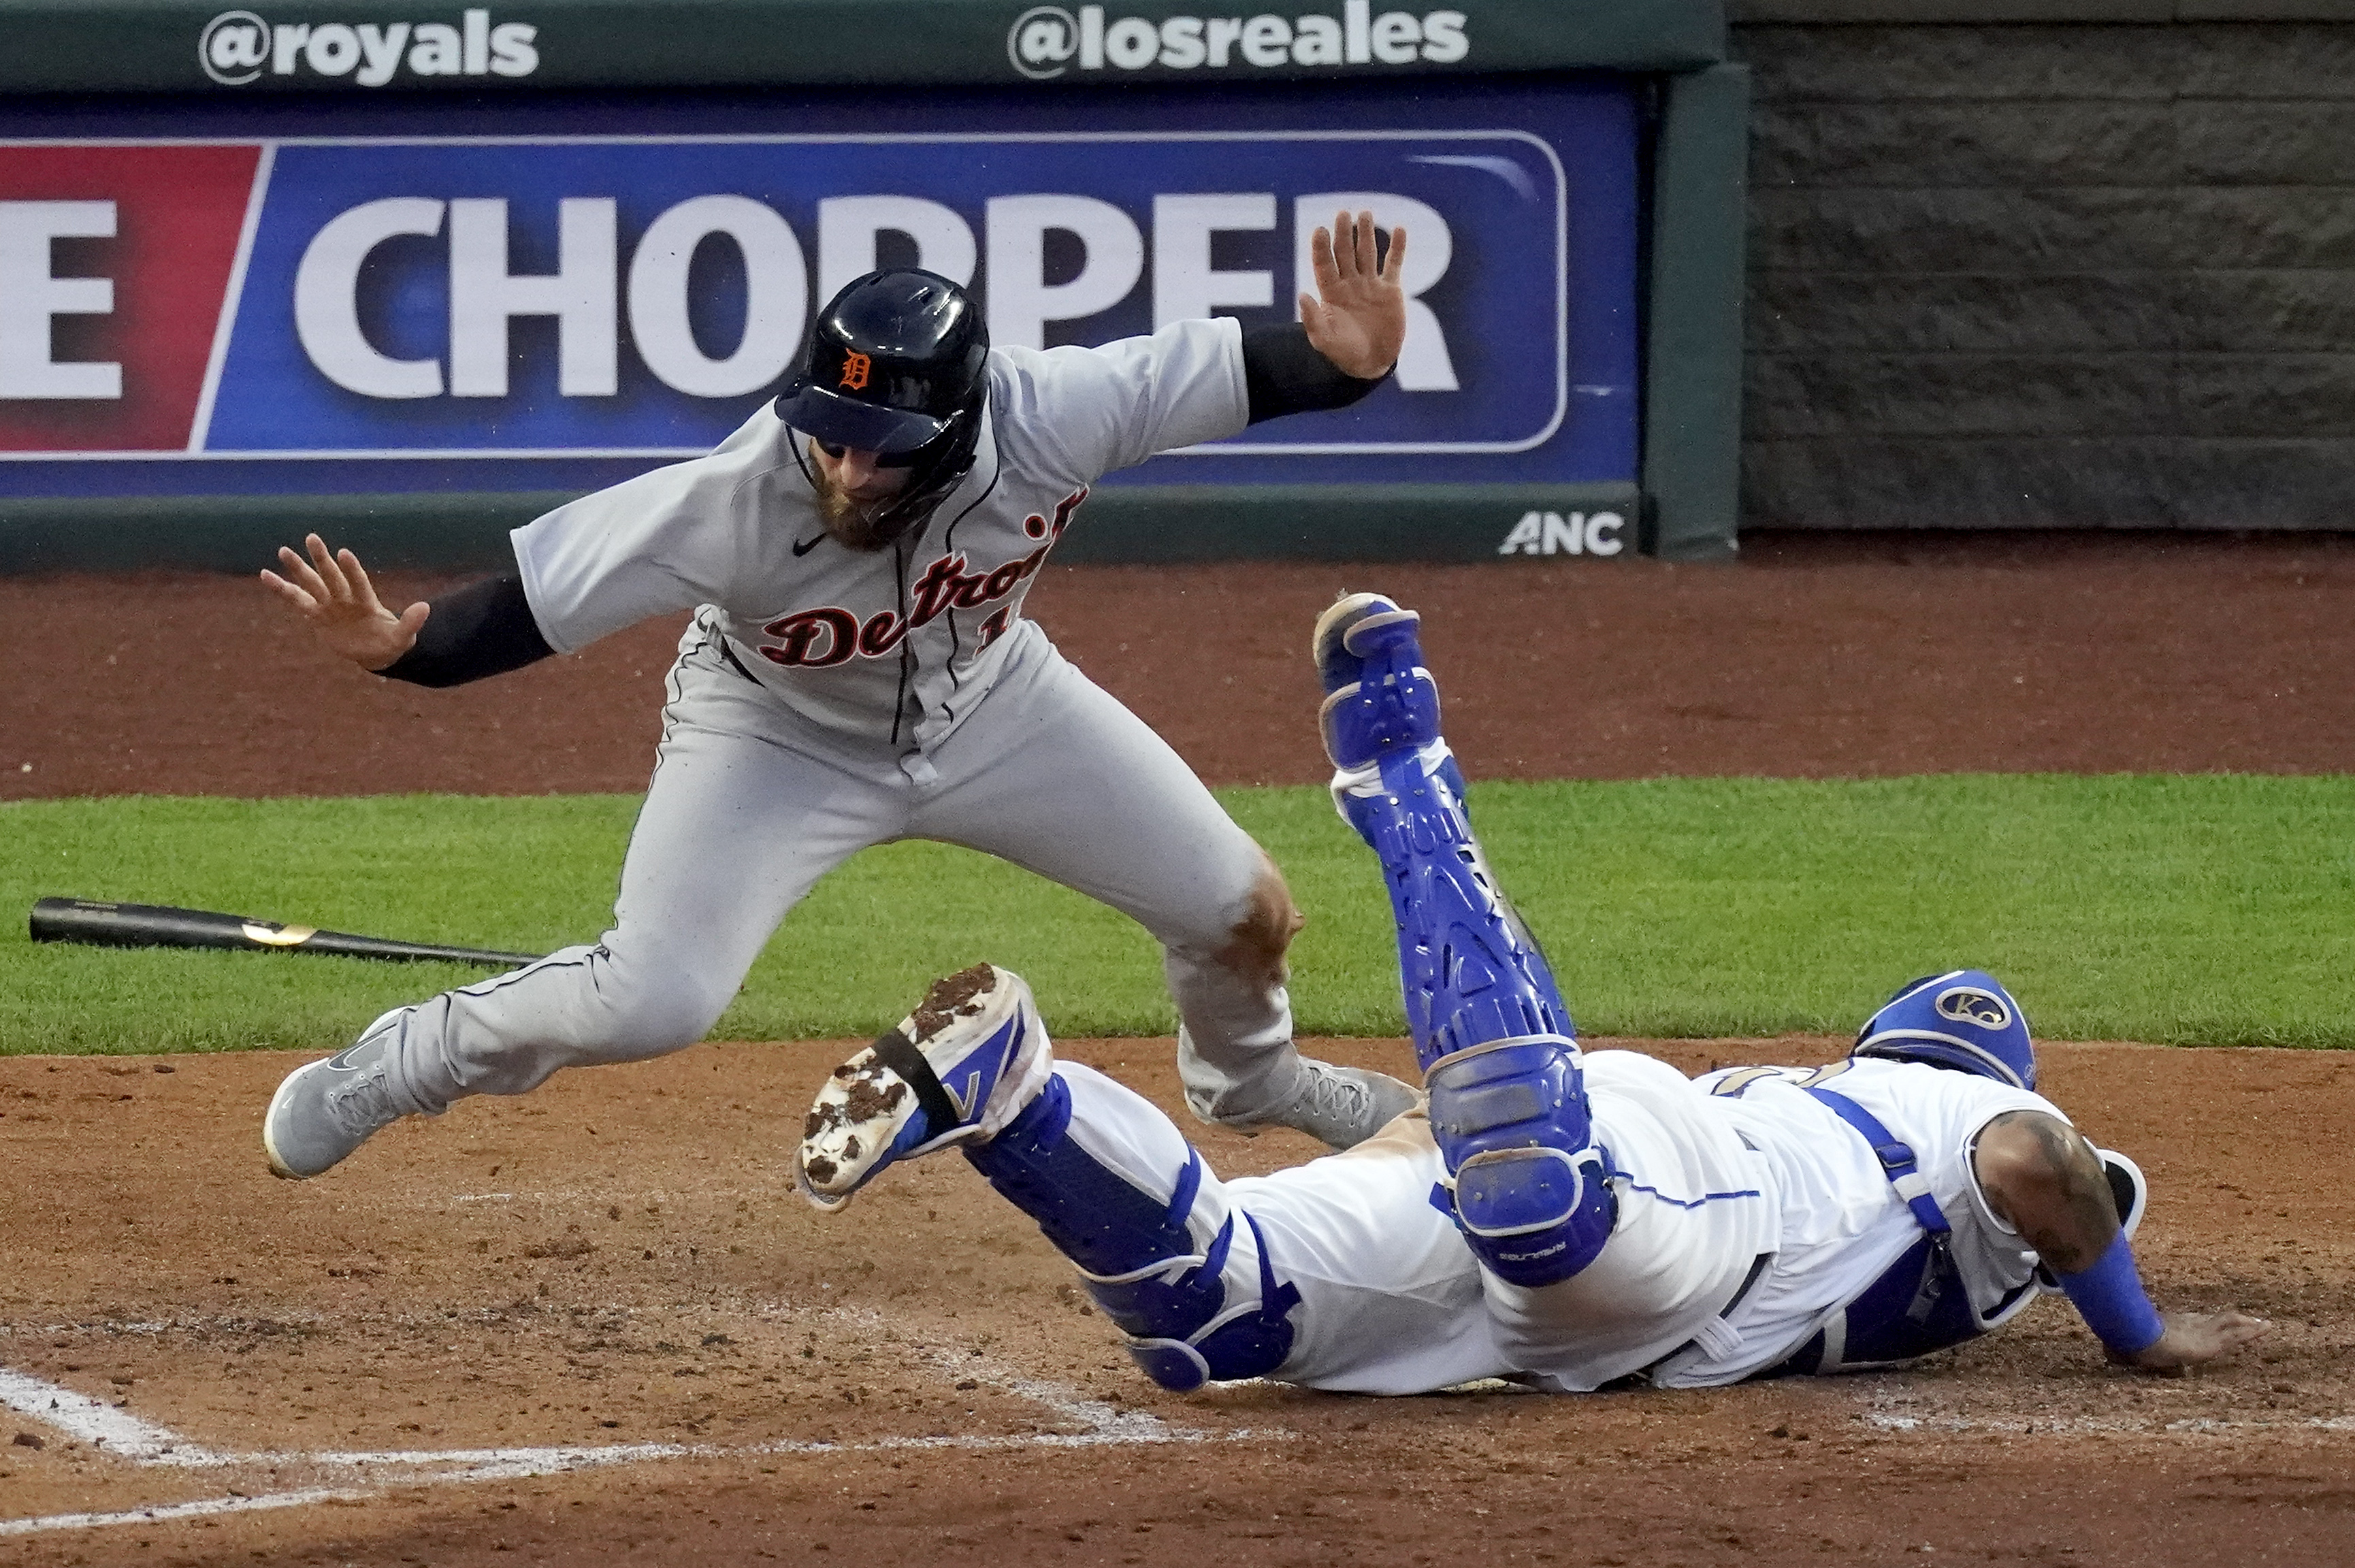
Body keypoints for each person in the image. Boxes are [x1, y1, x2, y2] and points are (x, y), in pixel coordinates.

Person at [793, 592, 2269, 1394]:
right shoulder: (1970, 1108)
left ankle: (1013, 1094)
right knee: (1543, 1202)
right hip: (1709, 1214)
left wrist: (1366, 1126)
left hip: (1581, 1269)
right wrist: (2134, 1335)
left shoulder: (1871, 1084)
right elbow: (2037, 1162)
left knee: (1213, 1322)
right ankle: (1406, 777)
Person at [258, 214, 1425, 1181]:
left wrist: (1350, 364)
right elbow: (527, 605)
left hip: (996, 704)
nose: (850, 470)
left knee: (1241, 907)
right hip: (771, 733)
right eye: (834, 436)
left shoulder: (1056, 411)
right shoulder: (739, 495)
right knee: (651, 999)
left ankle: (1254, 1080)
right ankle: (407, 1058)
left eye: (885, 449)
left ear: (964, 423)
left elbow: (1258, 373)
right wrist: (401, 648)